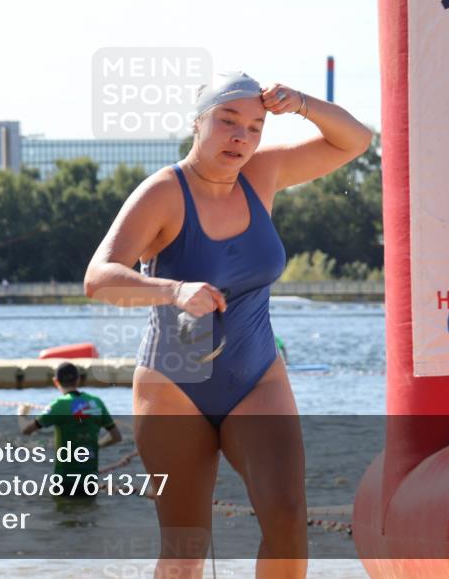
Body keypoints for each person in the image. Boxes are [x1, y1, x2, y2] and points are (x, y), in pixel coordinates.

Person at [84, 71, 371, 578]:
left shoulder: (263, 173)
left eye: (255, 127)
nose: (241, 137)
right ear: (198, 123)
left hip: (257, 378)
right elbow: (99, 278)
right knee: (185, 553)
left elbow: (356, 140)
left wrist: (302, 103)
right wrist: (173, 290)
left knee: (287, 519)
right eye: (228, 121)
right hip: (174, 387)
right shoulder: (164, 192)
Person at [18, 362, 122, 497]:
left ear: (56, 381)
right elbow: (116, 437)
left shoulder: (59, 404)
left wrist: (21, 414)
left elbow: (26, 430)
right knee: (88, 508)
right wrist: (96, 446)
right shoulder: (96, 402)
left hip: (64, 481)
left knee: (64, 508)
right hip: (90, 481)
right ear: (78, 379)